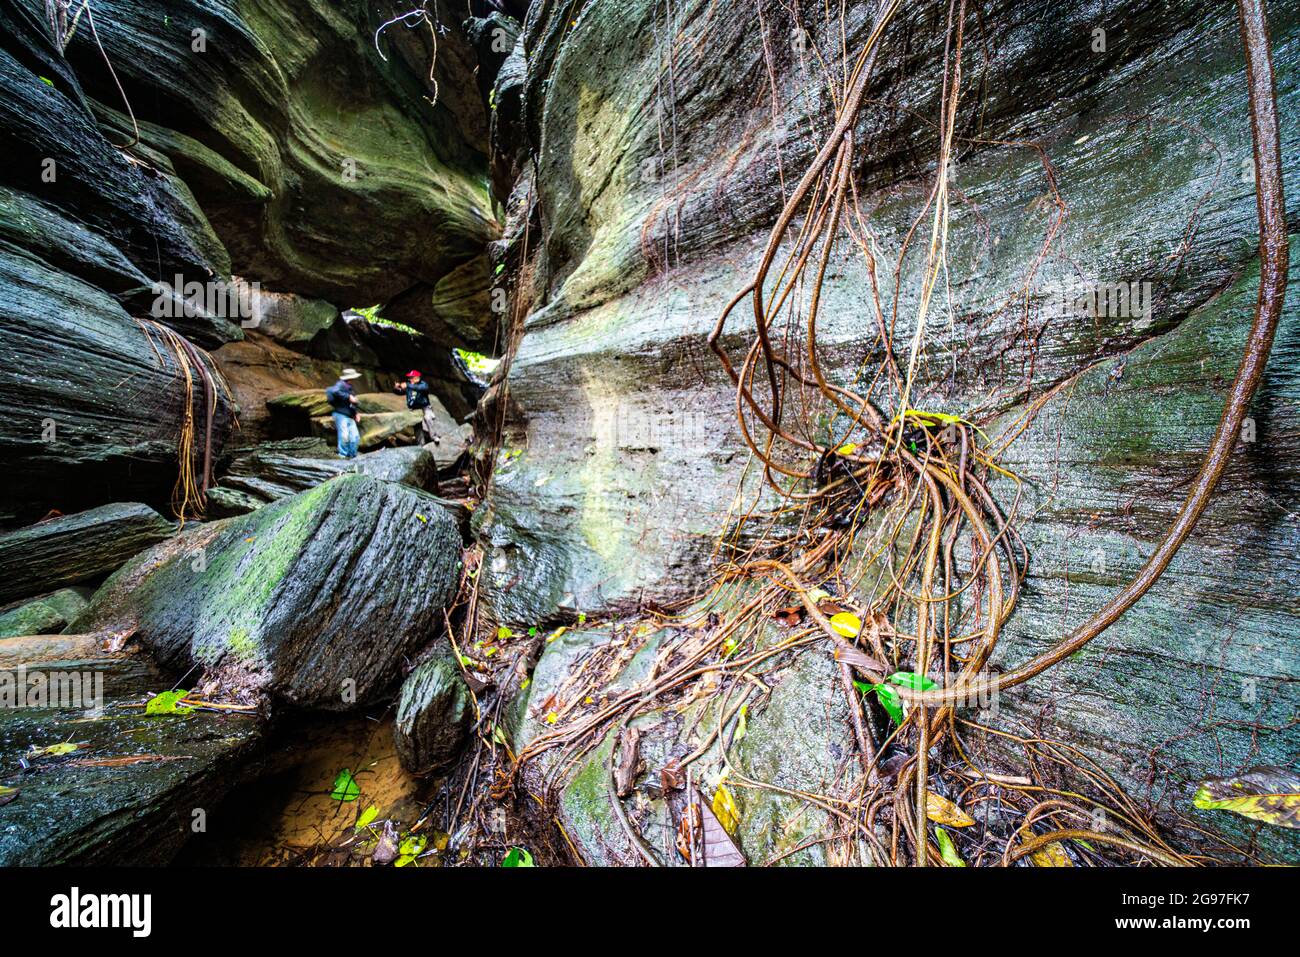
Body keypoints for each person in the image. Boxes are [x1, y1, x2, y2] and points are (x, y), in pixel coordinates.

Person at [325, 368, 363, 459]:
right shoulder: (340, 384)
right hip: (340, 414)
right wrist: (348, 396)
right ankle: (342, 455)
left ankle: (352, 455)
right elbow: (335, 391)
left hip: (350, 415)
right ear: (349, 378)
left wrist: (356, 413)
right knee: (344, 436)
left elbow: (351, 404)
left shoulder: (349, 387)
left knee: (355, 437)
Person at [394, 369, 436, 445]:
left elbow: (422, 389)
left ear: (417, 377)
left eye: (411, 377)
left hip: (425, 407)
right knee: (417, 425)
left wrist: (408, 385)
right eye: (409, 378)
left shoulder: (423, 384)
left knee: (428, 418)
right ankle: (421, 444)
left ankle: (434, 437)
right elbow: (400, 392)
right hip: (414, 408)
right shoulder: (409, 385)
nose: (409, 379)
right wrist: (396, 388)